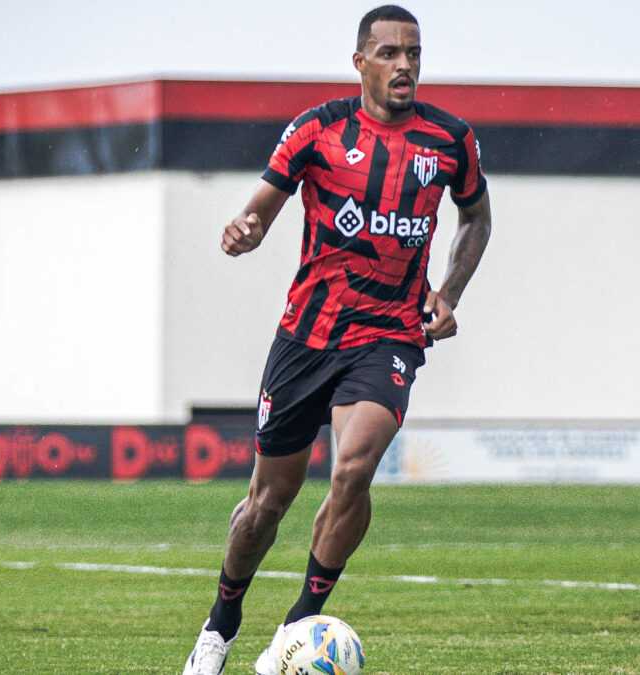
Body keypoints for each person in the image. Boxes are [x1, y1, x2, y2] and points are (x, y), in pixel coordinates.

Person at [183, 5, 492, 674]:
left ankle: (294, 630)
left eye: (413, 52)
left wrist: (450, 292)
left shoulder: (449, 139)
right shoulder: (318, 130)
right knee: (267, 504)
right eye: (389, 53)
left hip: (390, 334)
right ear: (361, 63)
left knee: (353, 468)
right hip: (307, 335)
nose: (404, 64)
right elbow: (261, 208)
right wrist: (245, 230)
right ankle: (221, 622)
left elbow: (475, 219)